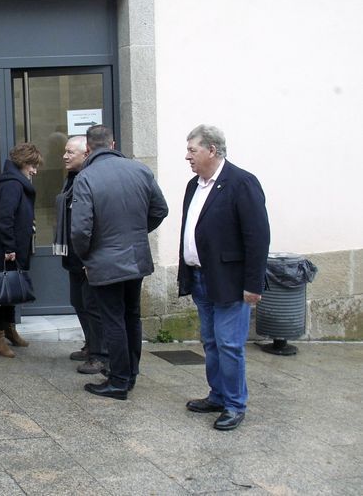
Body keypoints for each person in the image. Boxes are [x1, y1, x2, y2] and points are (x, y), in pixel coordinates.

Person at [179, 124, 269, 431]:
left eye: (193, 150)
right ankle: (217, 395)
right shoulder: (195, 185)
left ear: (212, 150)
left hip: (230, 281)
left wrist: (253, 285)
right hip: (201, 278)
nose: (187, 156)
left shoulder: (241, 183)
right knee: (211, 341)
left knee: (229, 344)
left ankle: (234, 404)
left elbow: (257, 238)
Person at [71, 125, 168, 400]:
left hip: (104, 261)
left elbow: (80, 229)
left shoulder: (86, 177)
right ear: (113, 144)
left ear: (88, 148)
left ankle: (118, 380)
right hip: (135, 258)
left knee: (112, 319)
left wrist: (87, 256)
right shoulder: (140, 170)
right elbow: (161, 210)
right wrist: (136, 233)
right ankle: (130, 373)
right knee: (131, 316)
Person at [0, 142, 42, 358]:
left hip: (9, 247)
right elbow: (5, 218)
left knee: (10, 291)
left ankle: (10, 330)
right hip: (4, 249)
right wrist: (10, 247)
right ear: (23, 163)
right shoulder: (13, 184)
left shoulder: (14, 182)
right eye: (32, 165)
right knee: (1, 293)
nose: (35, 170)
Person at [54, 135, 108, 375]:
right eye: (64, 152)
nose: (64, 156)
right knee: (79, 302)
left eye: (69, 152)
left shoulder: (91, 179)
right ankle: (90, 345)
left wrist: (89, 256)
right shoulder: (72, 178)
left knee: (93, 306)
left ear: (86, 154)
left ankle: (100, 355)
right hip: (74, 256)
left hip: (89, 257)